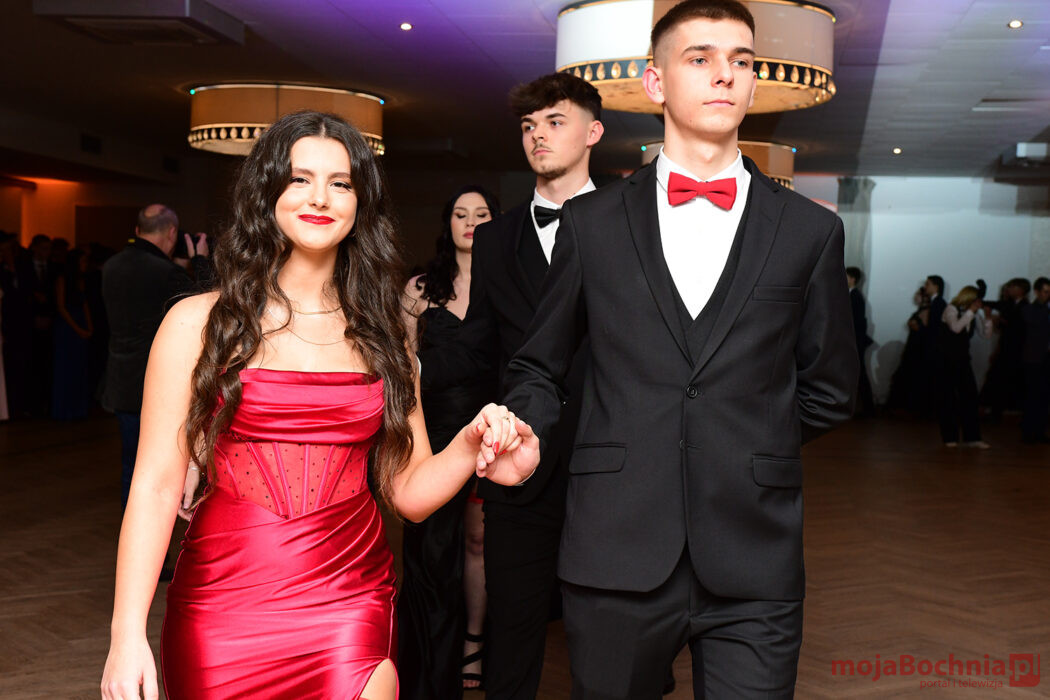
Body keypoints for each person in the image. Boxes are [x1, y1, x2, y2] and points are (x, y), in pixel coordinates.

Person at [100, 111, 537, 700]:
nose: (320, 197)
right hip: (221, 607)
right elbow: (155, 486)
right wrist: (126, 634)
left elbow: (408, 494)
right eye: (299, 178)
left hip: (349, 603)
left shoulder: (383, 335)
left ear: (360, 204)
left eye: (340, 183)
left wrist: (469, 445)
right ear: (267, 192)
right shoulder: (197, 323)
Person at [501, 1, 857, 696]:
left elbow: (831, 389)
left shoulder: (808, 231)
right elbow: (538, 365)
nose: (726, 75)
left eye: (742, 61)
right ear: (655, 82)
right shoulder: (591, 223)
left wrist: (749, 438)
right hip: (615, 543)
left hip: (754, 554)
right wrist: (527, 428)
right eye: (700, 58)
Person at [421, 72, 604, 700]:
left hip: (607, 462)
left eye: (555, 122)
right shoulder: (496, 238)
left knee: (610, 636)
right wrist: (406, 371)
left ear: (593, 133)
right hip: (516, 462)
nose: (538, 136)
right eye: (529, 126)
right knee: (512, 628)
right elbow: (480, 345)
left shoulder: (629, 223)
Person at [399, 185, 501, 697]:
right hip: (434, 434)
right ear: (448, 223)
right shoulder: (420, 288)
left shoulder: (506, 283)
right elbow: (402, 368)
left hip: (491, 432)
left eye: (481, 214)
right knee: (431, 551)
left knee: (480, 544)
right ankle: (428, 668)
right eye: (461, 213)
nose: (471, 222)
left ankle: (474, 641)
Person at [101, 205, 206, 509]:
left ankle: (133, 526)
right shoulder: (166, 273)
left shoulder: (111, 265)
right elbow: (205, 309)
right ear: (172, 233)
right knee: (160, 470)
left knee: (132, 465)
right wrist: (199, 261)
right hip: (158, 386)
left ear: (137, 231)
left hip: (121, 380)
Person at [937, 284, 992, 448]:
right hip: (946, 360)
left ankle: (972, 438)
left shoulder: (973, 314)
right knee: (948, 398)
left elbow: (986, 335)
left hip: (963, 360)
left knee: (970, 397)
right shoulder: (951, 309)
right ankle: (950, 437)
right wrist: (971, 312)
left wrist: (987, 318)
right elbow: (956, 328)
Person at [51, 248, 93, 420]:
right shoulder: (62, 279)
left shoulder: (80, 280)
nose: (85, 264)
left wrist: (89, 326)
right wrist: (78, 328)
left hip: (79, 323)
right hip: (67, 327)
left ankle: (78, 409)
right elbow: (61, 307)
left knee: (79, 369)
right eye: (82, 261)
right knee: (66, 368)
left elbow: (85, 304)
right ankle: (64, 410)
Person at [1020, 277, 1050, 443]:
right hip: (1033, 359)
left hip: (1045, 359)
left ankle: (1039, 431)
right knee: (1032, 396)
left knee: (1044, 397)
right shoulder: (1029, 310)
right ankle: (1029, 432)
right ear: (1037, 292)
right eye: (1045, 292)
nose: (1048, 295)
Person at [846, 266, 874, 416]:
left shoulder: (855, 296)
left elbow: (856, 322)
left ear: (852, 279)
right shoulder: (853, 295)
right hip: (854, 342)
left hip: (855, 342)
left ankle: (868, 407)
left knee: (860, 374)